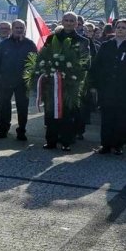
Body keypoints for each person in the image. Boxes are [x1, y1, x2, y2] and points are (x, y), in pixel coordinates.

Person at [43, 13, 91, 151]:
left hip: (71, 83)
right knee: (51, 112)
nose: (69, 23)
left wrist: (73, 73)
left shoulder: (83, 41)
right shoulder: (53, 38)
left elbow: (85, 62)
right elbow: (44, 55)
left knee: (68, 114)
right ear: (62, 21)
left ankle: (66, 141)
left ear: (76, 23)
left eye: (72, 21)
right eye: (66, 20)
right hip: (53, 81)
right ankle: (51, 141)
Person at [91, 18, 126, 155]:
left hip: (125, 90)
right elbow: (97, 65)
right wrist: (94, 84)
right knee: (107, 117)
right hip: (107, 89)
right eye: (118, 27)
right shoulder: (106, 45)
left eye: (123, 28)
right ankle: (105, 145)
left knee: (121, 118)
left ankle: (118, 145)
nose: (120, 29)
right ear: (114, 29)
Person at [0, 19, 36, 140]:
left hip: (23, 82)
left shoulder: (30, 44)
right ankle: (3, 129)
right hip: (6, 80)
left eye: (21, 28)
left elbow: (34, 63)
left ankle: (21, 130)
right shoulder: (4, 44)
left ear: (25, 29)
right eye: (16, 28)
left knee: (22, 107)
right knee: (4, 106)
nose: (19, 30)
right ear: (12, 29)